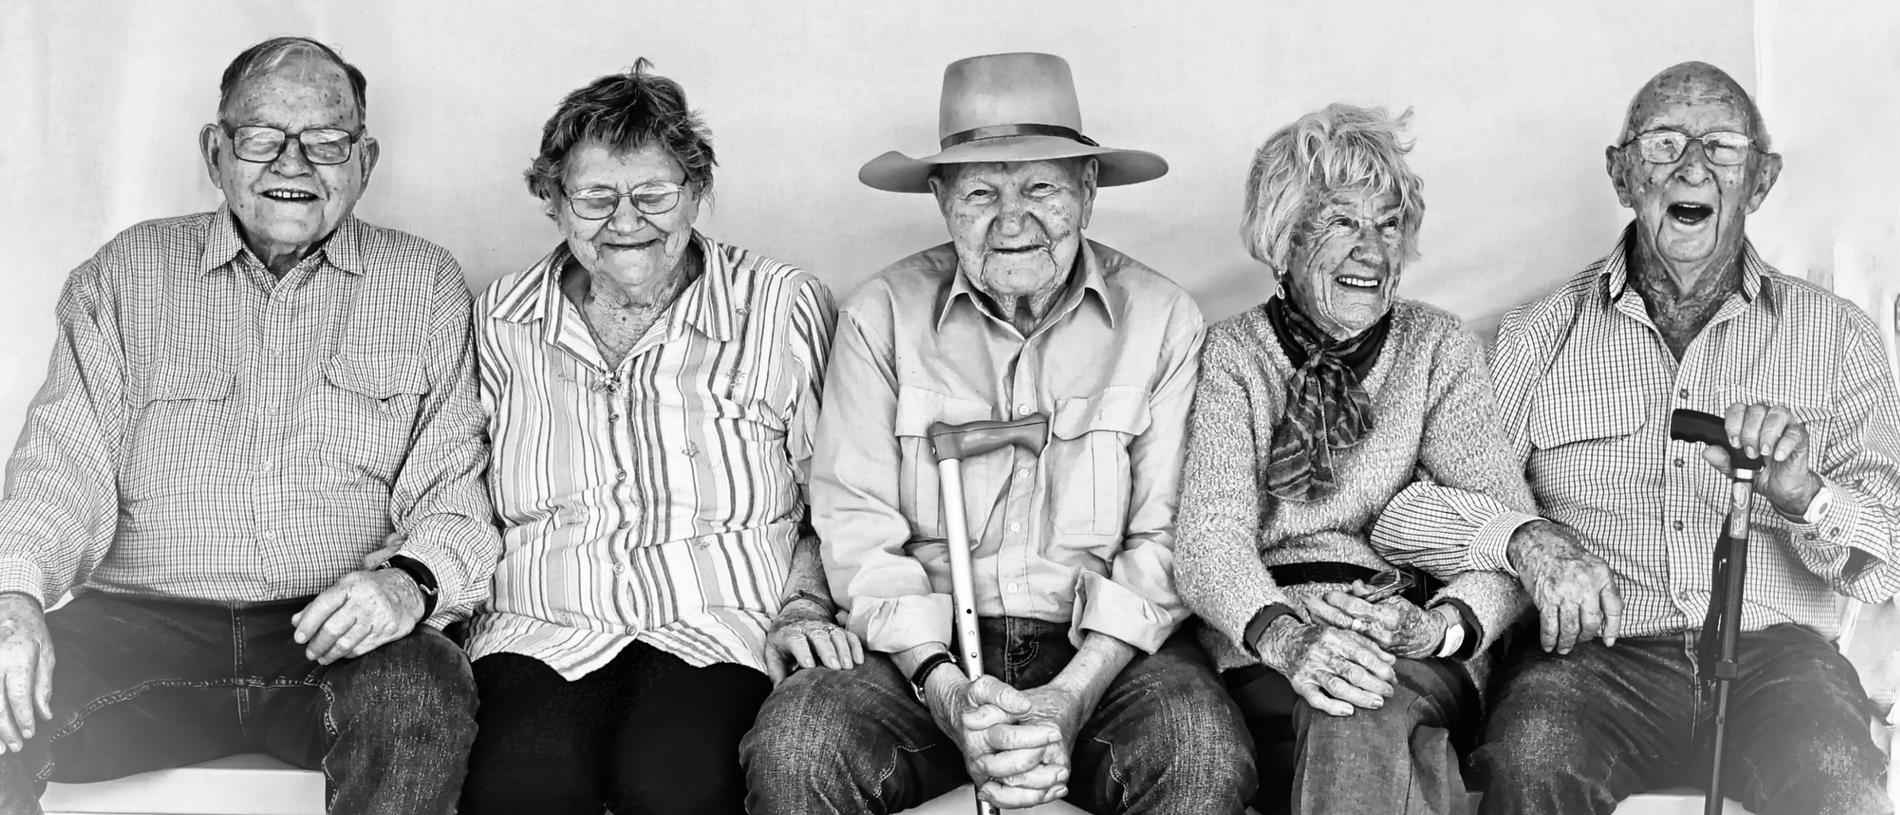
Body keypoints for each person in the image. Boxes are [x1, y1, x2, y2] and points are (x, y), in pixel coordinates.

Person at [1379, 61, 1900, 815]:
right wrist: (1529, 540)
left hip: (1778, 662)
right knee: (1532, 759)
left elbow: (1887, 562)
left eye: (1722, 146)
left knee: (1836, 776)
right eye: (1662, 144)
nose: (1692, 166)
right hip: (1592, 665)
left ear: (1760, 180)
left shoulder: (1839, 336)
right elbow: (1412, 511)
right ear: (1622, 175)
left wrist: (1803, 495)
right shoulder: (1538, 336)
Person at [741, 52, 1254, 815]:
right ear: (943, 200)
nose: (1012, 219)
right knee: (798, 742)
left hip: (1103, 653)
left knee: (1202, 750)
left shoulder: (1161, 320)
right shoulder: (881, 318)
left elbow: (1167, 538)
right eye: (981, 191)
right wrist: (945, 688)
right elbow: (856, 528)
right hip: (923, 653)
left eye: (1041, 186)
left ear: (1087, 193)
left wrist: (1071, 698)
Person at [0, 36, 496, 815]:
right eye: (263, 138)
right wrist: (14, 593)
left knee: (422, 689)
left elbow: (455, 487)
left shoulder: (425, 285)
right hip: (143, 631)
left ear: (365, 157)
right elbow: (59, 468)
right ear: (215, 150)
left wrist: (409, 583)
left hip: (332, 633)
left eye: (327, 141)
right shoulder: (124, 275)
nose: (294, 166)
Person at [456, 61, 858, 815]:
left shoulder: (780, 305)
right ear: (551, 200)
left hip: (718, 620)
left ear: (698, 192)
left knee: (676, 784)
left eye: (654, 194)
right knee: (520, 790)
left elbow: (833, 497)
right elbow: (463, 489)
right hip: (543, 623)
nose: (626, 220)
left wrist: (806, 607)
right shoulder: (499, 319)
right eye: (596, 196)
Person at [1171, 103, 1532, 815]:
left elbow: (1509, 533)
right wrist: (1289, 635)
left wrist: (1443, 626)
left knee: (1358, 708)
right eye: (1341, 221)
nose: (1371, 248)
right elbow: (1208, 539)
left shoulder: (1437, 347)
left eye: (1388, 223)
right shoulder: (1235, 352)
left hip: (1410, 636)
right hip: (1267, 639)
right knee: (1383, 738)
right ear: (1282, 238)